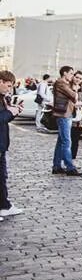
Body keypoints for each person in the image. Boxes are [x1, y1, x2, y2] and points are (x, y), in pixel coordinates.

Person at [0, 70, 25, 219]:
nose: (9, 89)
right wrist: (11, 112)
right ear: (0, 81)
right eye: (8, 86)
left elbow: (4, 118)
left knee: (2, 177)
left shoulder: (2, 97)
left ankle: (4, 206)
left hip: (2, 143)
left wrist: (14, 112)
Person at [51, 66, 81, 177]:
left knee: (61, 141)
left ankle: (57, 166)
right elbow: (74, 96)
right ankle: (70, 167)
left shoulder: (64, 84)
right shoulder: (61, 83)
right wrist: (76, 89)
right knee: (67, 142)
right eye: (71, 73)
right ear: (64, 73)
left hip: (65, 114)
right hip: (63, 115)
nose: (72, 76)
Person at [70, 71, 82, 161]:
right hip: (69, 115)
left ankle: (72, 160)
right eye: (77, 77)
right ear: (73, 77)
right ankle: (66, 160)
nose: (78, 80)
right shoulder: (68, 86)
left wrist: (80, 103)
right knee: (67, 140)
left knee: (76, 140)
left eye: (80, 78)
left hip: (80, 117)